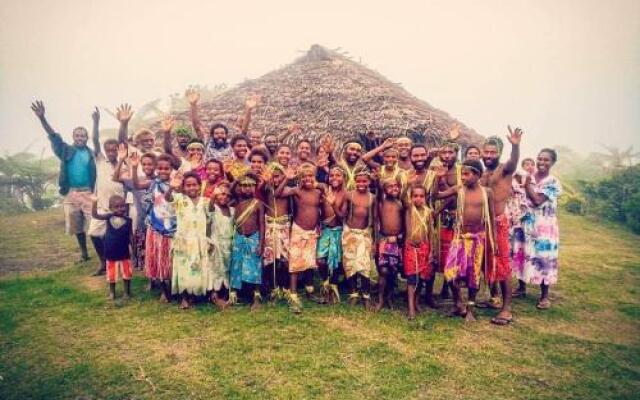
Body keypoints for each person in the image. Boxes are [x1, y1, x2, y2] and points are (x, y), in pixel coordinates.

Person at [31, 100, 97, 262]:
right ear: (73, 137)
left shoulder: (91, 153)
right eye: (77, 135)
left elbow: (97, 140)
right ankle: (84, 254)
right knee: (77, 226)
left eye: (83, 135)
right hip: (71, 192)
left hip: (88, 192)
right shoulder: (65, 150)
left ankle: (103, 256)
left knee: (94, 225)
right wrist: (42, 118)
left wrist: (95, 122)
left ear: (87, 138)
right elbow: (54, 137)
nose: (80, 138)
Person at [440, 159, 496, 321]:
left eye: (466, 174)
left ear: (477, 175)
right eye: (461, 174)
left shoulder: (487, 193)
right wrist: (439, 178)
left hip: (478, 239)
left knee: (474, 276)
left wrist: (494, 241)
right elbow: (438, 195)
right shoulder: (459, 189)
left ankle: (470, 309)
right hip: (459, 238)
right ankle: (458, 303)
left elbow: (491, 217)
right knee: (450, 273)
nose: (462, 177)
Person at [479, 127, 522, 325]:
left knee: (503, 265)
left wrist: (515, 146)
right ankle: (494, 299)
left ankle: (507, 309)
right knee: (486, 262)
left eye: (492, 152)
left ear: (499, 154)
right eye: (486, 152)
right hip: (482, 224)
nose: (489, 155)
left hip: (498, 223)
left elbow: (514, 162)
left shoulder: (504, 170)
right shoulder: (481, 172)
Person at [514, 149, 562, 310]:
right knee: (522, 253)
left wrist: (526, 183)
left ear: (553, 162)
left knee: (543, 257)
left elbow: (536, 200)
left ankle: (544, 296)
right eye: (539, 159)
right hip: (526, 222)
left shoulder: (553, 182)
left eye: (546, 160)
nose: (542, 162)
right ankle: (521, 288)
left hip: (544, 226)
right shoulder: (528, 176)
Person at [276, 163, 325, 313]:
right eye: (304, 177)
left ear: (314, 177)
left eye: (310, 176)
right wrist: (287, 178)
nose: (307, 179)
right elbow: (278, 193)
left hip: (312, 232)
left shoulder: (318, 192)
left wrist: (319, 225)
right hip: (298, 230)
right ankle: (293, 295)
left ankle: (310, 291)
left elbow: (322, 199)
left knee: (310, 262)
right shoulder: (296, 191)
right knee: (295, 263)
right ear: (299, 179)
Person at [87, 107, 127, 276]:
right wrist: (96, 122)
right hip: (103, 206)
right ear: (104, 151)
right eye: (108, 149)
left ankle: (126, 260)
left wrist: (123, 123)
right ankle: (103, 262)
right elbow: (95, 140)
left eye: (114, 149)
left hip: (121, 207)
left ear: (119, 149)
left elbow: (122, 139)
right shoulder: (100, 161)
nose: (111, 152)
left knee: (124, 234)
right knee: (95, 233)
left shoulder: (124, 163)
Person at [133, 153, 176, 302]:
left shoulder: (177, 183)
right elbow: (137, 185)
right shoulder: (153, 183)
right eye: (160, 168)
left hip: (173, 227)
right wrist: (133, 167)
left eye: (167, 168)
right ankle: (164, 291)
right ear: (156, 169)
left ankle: (175, 287)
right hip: (156, 225)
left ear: (171, 169)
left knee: (172, 259)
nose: (163, 171)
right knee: (159, 258)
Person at [165, 171, 210, 309]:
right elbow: (167, 198)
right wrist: (172, 187)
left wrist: (208, 240)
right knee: (183, 268)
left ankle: (195, 294)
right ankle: (184, 297)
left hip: (199, 241)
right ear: (183, 187)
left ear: (199, 186)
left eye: (194, 185)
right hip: (183, 240)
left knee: (197, 267)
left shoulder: (205, 201)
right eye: (188, 185)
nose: (191, 188)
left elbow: (209, 220)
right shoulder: (179, 199)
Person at [335, 167, 376, 309]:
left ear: (369, 182)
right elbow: (341, 215)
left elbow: (375, 220)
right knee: (350, 265)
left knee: (364, 266)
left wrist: (375, 241)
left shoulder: (372, 198)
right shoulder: (349, 195)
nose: (361, 184)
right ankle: (353, 293)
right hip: (350, 234)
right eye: (359, 181)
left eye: (364, 181)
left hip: (364, 234)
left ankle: (366, 295)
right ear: (355, 181)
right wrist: (333, 204)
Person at [406, 144, 439, 308]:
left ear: (427, 156)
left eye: (422, 155)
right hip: (408, 224)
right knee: (410, 266)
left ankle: (428, 295)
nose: (419, 159)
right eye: (415, 155)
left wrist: (436, 211)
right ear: (410, 157)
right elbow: (398, 197)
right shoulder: (405, 175)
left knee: (429, 264)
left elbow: (439, 195)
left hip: (427, 222)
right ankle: (411, 298)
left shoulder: (434, 175)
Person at [113, 146, 156, 270]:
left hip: (158, 224)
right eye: (144, 164)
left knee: (156, 251)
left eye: (150, 164)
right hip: (142, 223)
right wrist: (121, 160)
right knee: (145, 252)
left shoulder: (160, 180)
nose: (147, 167)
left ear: (156, 165)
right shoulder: (137, 179)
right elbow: (115, 178)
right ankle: (150, 279)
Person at [229, 173, 265, 311]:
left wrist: (261, 243)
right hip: (239, 237)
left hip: (254, 237)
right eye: (244, 185)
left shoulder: (258, 204)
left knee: (255, 265)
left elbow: (261, 224)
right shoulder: (237, 201)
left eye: (250, 185)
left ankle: (256, 295)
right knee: (236, 264)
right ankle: (234, 294)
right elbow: (232, 190)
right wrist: (238, 178)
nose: (247, 188)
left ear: (255, 187)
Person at [91, 195, 133, 301]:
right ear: (110, 208)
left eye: (122, 206)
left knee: (127, 273)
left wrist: (134, 250)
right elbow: (95, 215)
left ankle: (127, 292)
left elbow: (131, 236)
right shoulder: (108, 217)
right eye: (116, 207)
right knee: (111, 274)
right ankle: (112, 293)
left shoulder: (128, 220)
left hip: (124, 252)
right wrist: (94, 203)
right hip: (110, 252)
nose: (120, 209)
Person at [261, 163, 291, 301]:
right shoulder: (267, 188)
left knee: (284, 258)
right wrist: (267, 179)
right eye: (273, 177)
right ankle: (272, 288)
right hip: (270, 225)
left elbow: (279, 193)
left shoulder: (287, 189)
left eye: (278, 177)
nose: (275, 180)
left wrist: (287, 179)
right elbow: (273, 192)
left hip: (283, 225)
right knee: (269, 258)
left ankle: (285, 287)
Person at [317, 165, 347, 304]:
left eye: (338, 175)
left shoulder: (346, 194)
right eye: (332, 175)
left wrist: (334, 204)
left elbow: (342, 217)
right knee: (320, 260)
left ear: (343, 178)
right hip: (324, 230)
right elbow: (310, 181)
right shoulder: (324, 188)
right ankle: (325, 282)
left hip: (338, 231)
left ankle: (333, 286)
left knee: (335, 261)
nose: (334, 178)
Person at [403, 185, 433, 319]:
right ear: (411, 198)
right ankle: (410, 308)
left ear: (425, 198)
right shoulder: (410, 209)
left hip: (424, 248)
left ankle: (416, 301)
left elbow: (431, 233)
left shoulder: (428, 212)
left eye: (421, 196)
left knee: (421, 277)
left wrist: (431, 250)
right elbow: (403, 197)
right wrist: (408, 183)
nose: (418, 199)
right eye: (415, 196)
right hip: (411, 249)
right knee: (411, 278)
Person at [374, 177, 404, 312]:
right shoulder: (381, 203)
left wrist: (399, 237)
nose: (394, 189)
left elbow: (403, 224)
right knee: (383, 271)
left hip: (396, 242)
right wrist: (377, 180)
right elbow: (379, 190)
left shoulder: (400, 204)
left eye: (396, 186)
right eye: (390, 187)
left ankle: (390, 297)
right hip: (383, 241)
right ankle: (380, 299)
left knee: (393, 271)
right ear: (384, 190)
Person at [207, 182, 234, 309]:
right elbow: (210, 209)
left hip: (228, 244)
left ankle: (224, 293)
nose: (224, 197)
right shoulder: (214, 208)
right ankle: (214, 294)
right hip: (216, 243)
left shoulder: (232, 210)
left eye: (227, 195)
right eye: (221, 194)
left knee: (226, 269)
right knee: (215, 269)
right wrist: (213, 196)